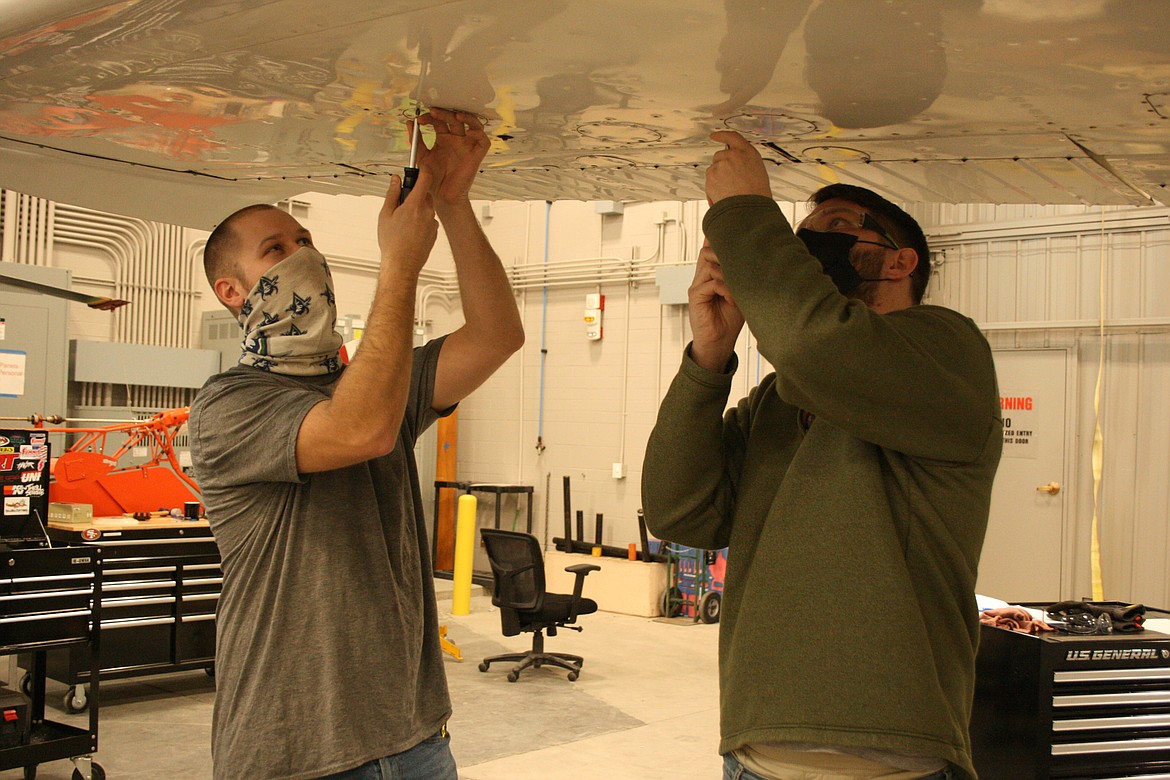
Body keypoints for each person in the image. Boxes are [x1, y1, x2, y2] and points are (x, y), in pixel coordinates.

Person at [641, 130, 1002, 780]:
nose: (808, 245)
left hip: (892, 762)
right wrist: (709, 358)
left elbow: (820, 349)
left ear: (900, 262)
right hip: (754, 752)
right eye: (799, 233)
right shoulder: (780, 398)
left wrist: (747, 213)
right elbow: (679, 511)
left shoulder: (949, 350)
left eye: (835, 226)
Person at [189, 107, 523, 780]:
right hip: (294, 753)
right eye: (276, 250)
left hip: (415, 738)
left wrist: (454, 206)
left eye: (304, 238)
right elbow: (361, 430)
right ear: (232, 292)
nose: (303, 254)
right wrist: (400, 260)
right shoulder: (228, 407)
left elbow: (496, 335)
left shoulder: (371, 383)